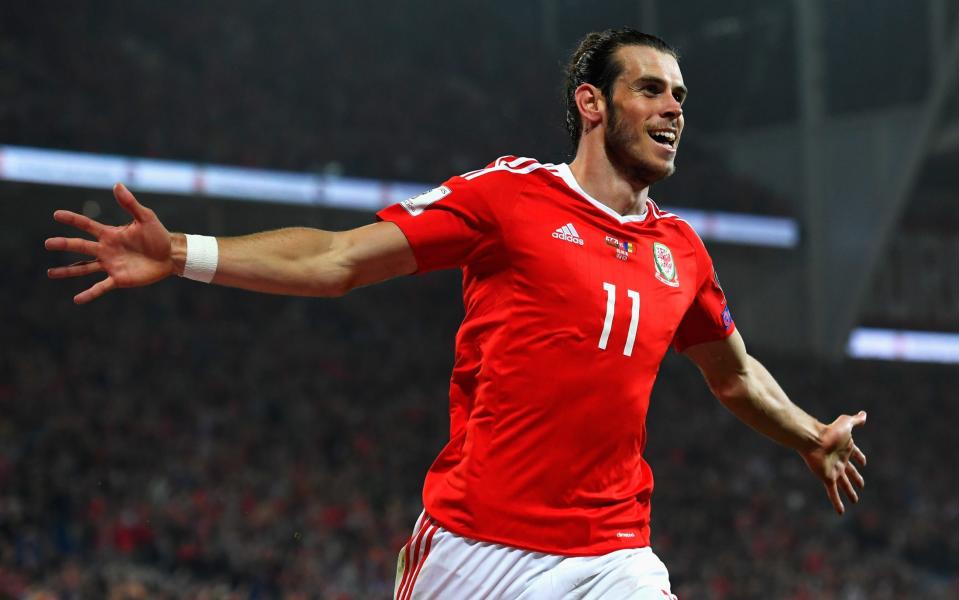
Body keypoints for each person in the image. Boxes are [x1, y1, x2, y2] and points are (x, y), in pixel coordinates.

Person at [46, 29, 867, 600]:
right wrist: (183, 251)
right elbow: (337, 260)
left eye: (680, 95)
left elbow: (733, 374)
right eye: (649, 88)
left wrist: (807, 433)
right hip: (477, 547)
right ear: (591, 102)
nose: (672, 108)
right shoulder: (508, 198)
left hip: (612, 553)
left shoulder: (681, 249)